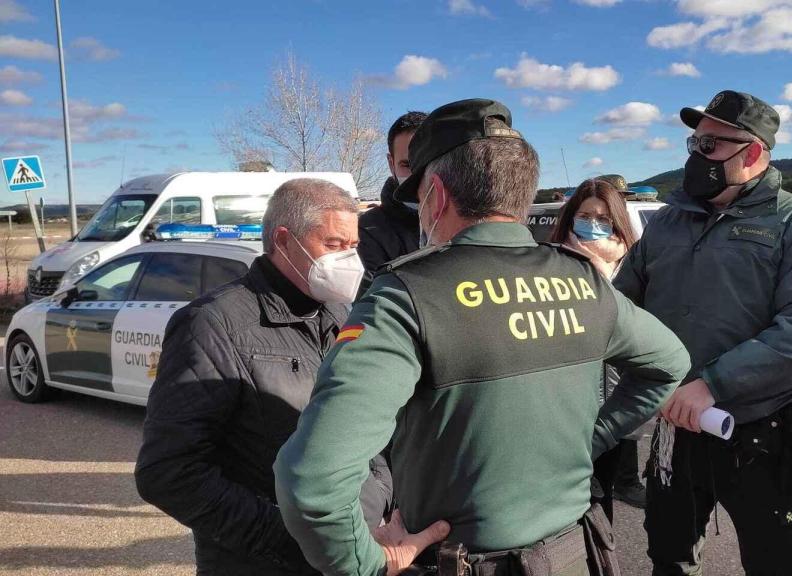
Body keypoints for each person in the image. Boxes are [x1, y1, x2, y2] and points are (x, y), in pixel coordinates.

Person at [274, 99, 692, 576]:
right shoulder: (584, 282)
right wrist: (590, 441)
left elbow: (313, 478)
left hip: (462, 560)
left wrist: (363, 563)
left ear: (435, 195)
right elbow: (668, 364)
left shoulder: (408, 295)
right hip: (574, 554)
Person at [614, 90, 792, 576]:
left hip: (764, 427)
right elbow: (622, 306)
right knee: (669, 555)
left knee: (776, 560)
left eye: (710, 146)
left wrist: (713, 384)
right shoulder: (668, 222)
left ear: (754, 153)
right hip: (678, 427)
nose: (696, 156)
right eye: (694, 143)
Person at [135, 179, 393, 575]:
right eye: (335, 245)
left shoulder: (340, 315)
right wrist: (294, 542)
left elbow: (361, 426)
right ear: (284, 241)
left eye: (354, 246)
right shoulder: (211, 325)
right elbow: (169, 472)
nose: (349, 260)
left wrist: (381, 503)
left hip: (357, 552)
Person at [549, 178, 646, 515]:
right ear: (571, 217)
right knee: (566, 498)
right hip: (566, 404)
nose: (592, 225)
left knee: (602, 498)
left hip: (615, 402)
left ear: (617, 221)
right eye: (585, 215)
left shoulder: (631, 264)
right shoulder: (552, 263)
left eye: (602, 218)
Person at [357, 111, 428, 296]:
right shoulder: (367, 231)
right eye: (407, 165)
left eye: (426, 163)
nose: (417, 176)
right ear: (391, 163)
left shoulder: (462, 219)